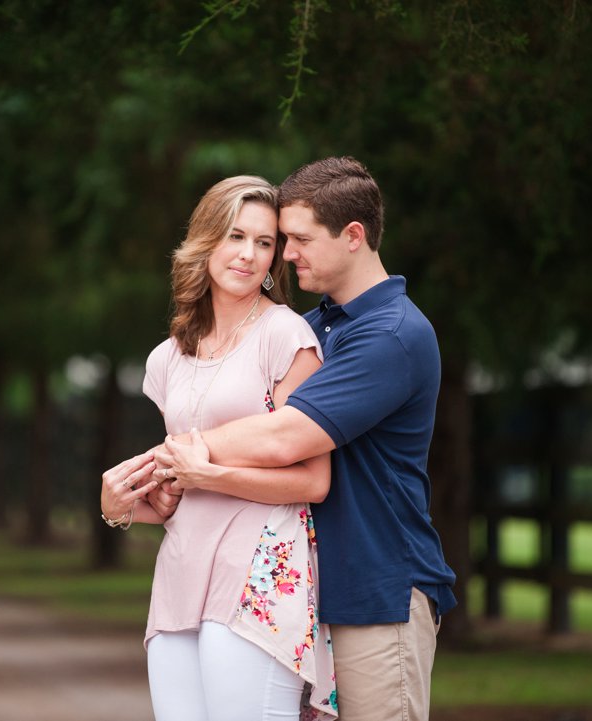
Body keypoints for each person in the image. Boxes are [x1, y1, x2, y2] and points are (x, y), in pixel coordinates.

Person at [155, 157, 457, 721]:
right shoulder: (314, 328)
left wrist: (174, 454)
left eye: (298, 239)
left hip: (375, 590)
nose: (286, 255)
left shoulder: (391, 334)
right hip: (309, 589)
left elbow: (285, 437)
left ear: (353, 236)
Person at [99, 175, 338, 721]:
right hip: (181, 571)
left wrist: (210, 474)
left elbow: (314, 480)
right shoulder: (167, 358)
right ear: (206, 241)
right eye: (236, 236)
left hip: (259, 568)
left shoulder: (286, 336)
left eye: (264, 242)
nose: (249, 254)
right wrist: (120, 506)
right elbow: (179, 489)